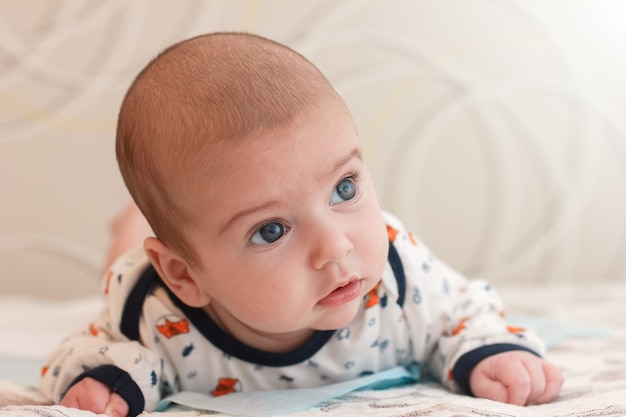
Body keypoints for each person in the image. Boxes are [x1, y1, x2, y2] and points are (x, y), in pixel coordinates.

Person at [39, 32, 563, 417]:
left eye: (344, 189)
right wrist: (108, 379)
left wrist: (487, 352)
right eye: (271, 230)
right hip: (149, 270)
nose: (335, 247)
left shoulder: (399, 273)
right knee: (119, 268)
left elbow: (466, 313)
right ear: (185, 276)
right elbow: (78, 355)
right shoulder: (151, 311)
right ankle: (129, 234)